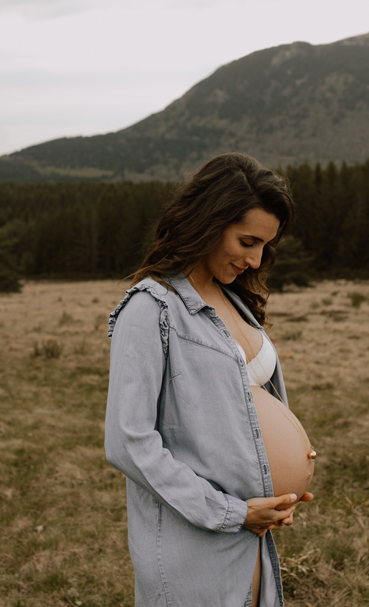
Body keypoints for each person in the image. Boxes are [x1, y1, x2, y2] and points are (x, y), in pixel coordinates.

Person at [105, 152, 313, 607]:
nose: (257, 260)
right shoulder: (152, 308)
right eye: (247, 241)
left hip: (252, 537)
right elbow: (128, 442)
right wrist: (232, 511)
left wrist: (280, 489)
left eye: (265, 246)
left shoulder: (233, 299)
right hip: (195, 541)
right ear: (208, 221)